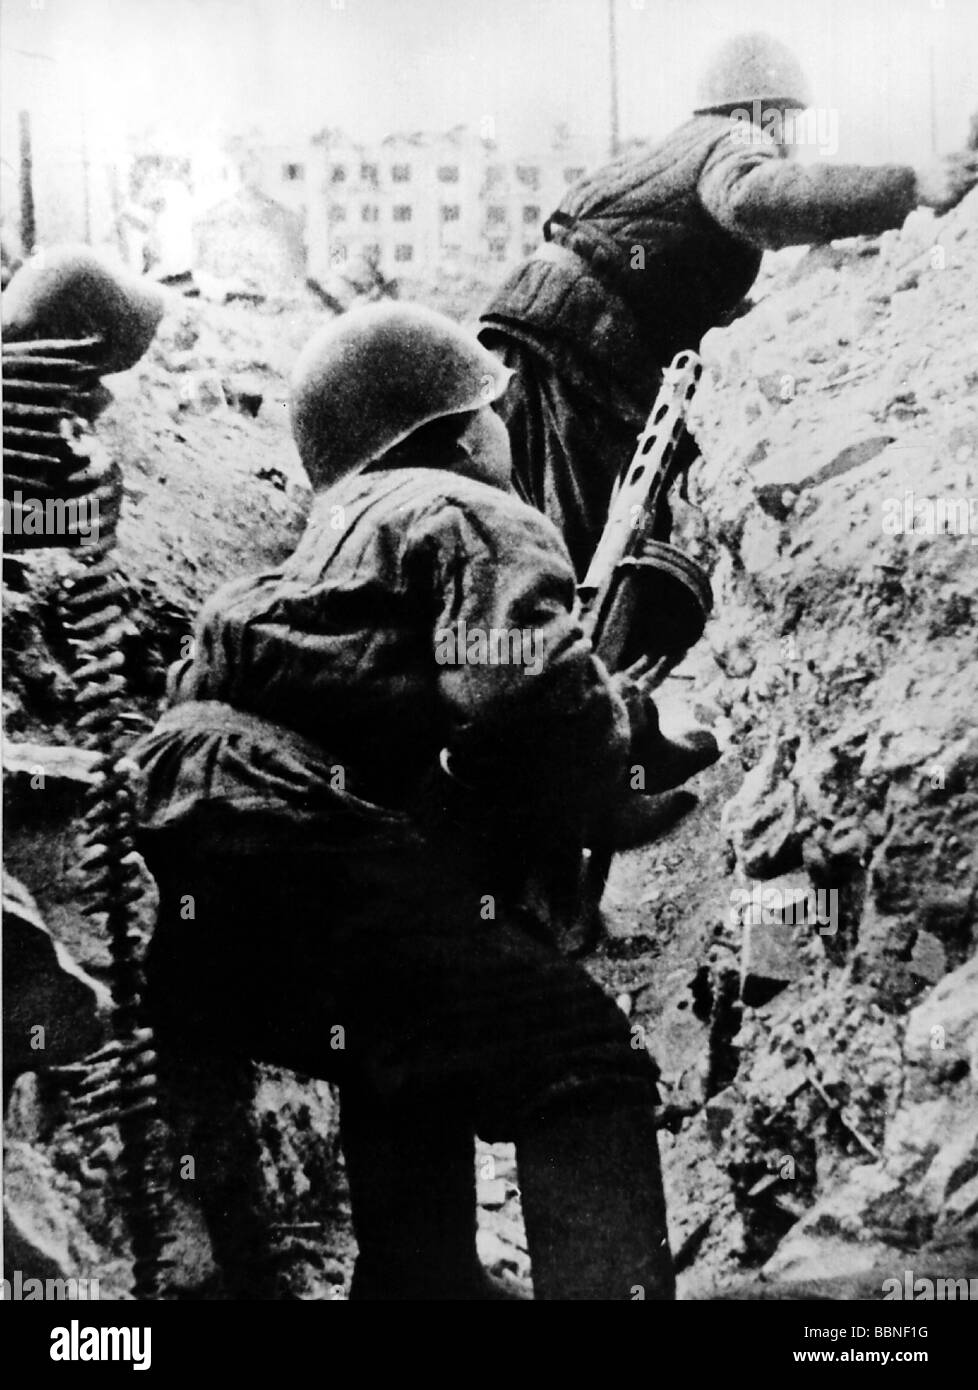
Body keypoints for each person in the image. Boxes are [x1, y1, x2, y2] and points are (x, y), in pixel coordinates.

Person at [130, 302, 715, 1300]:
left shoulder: (310, 554)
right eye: (495, 413)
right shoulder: (468, 510)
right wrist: (618, 758)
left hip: (199, 904)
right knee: (583, 1060)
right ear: (454, 432)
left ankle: (423, 1281)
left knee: (402, 1037)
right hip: (313, 849)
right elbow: (519, 692)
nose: (505, 431)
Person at [479, 30, 978, 578]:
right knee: (582, 549)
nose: (789, 141)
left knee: (511, 534)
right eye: (788, 123)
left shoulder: (666, 152)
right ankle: (570, 660)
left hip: (523, 334)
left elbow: (652, 275)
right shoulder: (733, 140)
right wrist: (909, 187)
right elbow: (752, 200)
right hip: (569, 347)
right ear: (768, 113)